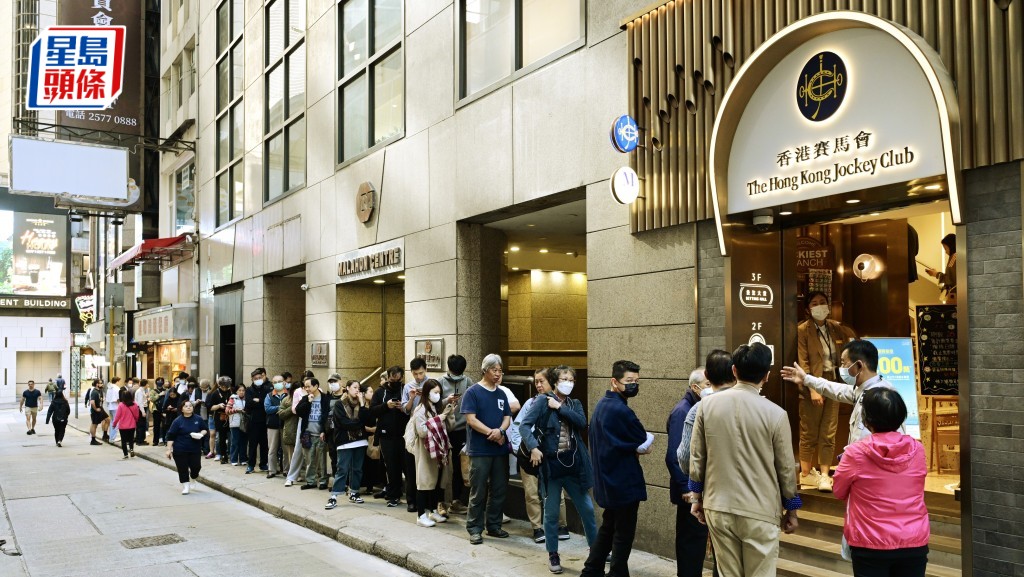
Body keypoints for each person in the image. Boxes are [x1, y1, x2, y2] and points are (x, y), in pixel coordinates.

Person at [689, 343, 800, 577]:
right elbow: (786, 469)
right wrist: (791, 509)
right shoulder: (777, 414)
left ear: (734, 371)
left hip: (718, 506)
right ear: (767, 375)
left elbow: (697, 457)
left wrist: (696, 497)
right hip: (761, 511)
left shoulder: (706, 406)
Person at [833, 387, 929, 577]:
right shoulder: (917, 449)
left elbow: (838, 491)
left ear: (866, 419)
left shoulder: (855, 453)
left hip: (870, 542)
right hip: (914, 539)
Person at [519, 365, 598, 574]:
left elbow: (581, 423)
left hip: (574, 465)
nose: (568, 383)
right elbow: (524, 426)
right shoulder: (541, 402)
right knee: (552, 513)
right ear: (555, 382)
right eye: (564, 379)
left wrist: (560, 408)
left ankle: (596, 550)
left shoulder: (574, 403)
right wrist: (533, 447)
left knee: (587, 509)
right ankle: (553, 553)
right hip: (552, 467)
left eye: (571, 380)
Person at [580, 360, 652, 577]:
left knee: (609, 528)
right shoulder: (620, 410)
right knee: (623, 534)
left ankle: (591, 570)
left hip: (608, 481)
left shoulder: (603, 405)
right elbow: (642, 439)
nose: (633, 385)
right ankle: (616, 573)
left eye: (636, 381)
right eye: (629, 381)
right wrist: (642, 444)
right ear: (614, 381)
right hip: (623, 483)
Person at [676, 351, 735, 577]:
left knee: (721, 556)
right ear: (734, 372)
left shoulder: (699, 409)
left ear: (708, 376)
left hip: (715, 495)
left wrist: (695, 491)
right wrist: (791, 503)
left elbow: (685, 458)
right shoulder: (762, 406)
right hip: (754, 500)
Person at [782, 339, 898, 449]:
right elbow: (836, 389)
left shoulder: (880, 398)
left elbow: (864, 442)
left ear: (859, 365)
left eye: (843, 363)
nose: (841, 368)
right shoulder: (865, 389)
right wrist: (806, 379)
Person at [796, 291, 857, 492]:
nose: (819, 306)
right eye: (814, 303)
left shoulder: (834, 327)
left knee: (829, 432)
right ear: (808, 309)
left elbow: (848, 345)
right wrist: (813, 389)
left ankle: (824, 474)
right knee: (809, 431)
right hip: (811, 384)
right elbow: (803, 361)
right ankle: (806, 474)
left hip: (833, 383)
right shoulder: (803, 330)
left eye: (823, 302)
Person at [508, 367, 568, 543]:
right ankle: (537, 527)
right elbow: (518, 428)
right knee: (532, 493)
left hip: (553, 455)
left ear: (552, 382)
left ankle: (562, 525)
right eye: (536, 382)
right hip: (530, 455)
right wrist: (522, 450)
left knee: (557, 492)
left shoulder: (561, 403)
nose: (538, 385)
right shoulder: (530, 403)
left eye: (542, 381)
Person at [462, 354, 513, 545]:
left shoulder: (501, 393)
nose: (498, 374)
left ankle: (494, 525)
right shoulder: (473, 392)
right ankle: (474, 528)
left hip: (499, 450)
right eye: (494, 370)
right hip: (480, 450)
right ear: (485, 370)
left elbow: (507, 417)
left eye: (500, 370)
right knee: (478, 490)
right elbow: (471, 419)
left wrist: (500, 431)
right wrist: (490, 432)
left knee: (499, 489)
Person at [665, 366, 707, 577]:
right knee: (690, 543)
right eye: (708, 384)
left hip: (694, 489)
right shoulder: (683, 411)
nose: (712, 388)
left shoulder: (699, 407)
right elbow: (675, 455)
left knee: (696, 543)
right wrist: (686, 488)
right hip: (689, 492)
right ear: (695, 387)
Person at [409, 379, 457, 527]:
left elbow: (447, 427)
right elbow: (422, 431)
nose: (437, 395)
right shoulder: (420, 410)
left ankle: (432, 511)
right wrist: (439, 419)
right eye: (435, 392)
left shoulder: (434, 408)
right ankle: (421, 515)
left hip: (437, 451)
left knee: (436, 483)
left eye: (439, 393)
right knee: (424, 483)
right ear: (427, 393)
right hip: (425, 452)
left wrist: (448, 414)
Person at [437, 354, 474, 515]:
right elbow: (434, 403)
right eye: (454, 373)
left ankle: (457, 501)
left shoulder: (468, 381)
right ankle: (440, 502)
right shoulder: (440, 381)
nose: (456, 376)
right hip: (444, 429)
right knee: (441, 466)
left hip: (461, 429)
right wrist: (447, 400)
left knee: (460, 467)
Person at [326, 380, 371, 509]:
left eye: (359, 388)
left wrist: (362, 404)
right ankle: (334, 496)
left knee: (357, 469)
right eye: (355, 387)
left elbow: (367, 419)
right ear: (348, 388)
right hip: (344, 441)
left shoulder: (362, 404)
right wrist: (359, 424)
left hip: (360, 441)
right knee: (342, 469)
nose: (357, 390)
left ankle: (354, 493)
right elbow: (343, 423)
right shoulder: (340, 404)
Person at [369, 366, 410, 507]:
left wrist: (403, 408)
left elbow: (412, 409)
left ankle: (411, 497)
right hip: (386, 435)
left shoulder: (406, 390)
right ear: (388, 378)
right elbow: (372, 410)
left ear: (402, 378)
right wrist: (386, 406)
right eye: (392, 379)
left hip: (404, 435)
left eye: (398, 380)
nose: (395, 382)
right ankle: (394, 495)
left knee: (406, 466)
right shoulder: (380, 392)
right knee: (391, 467)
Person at [164, 400, 209, 495]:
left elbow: (205, 429)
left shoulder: (198, 419)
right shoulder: (177, 421)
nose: (189, 407)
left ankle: (193, 478)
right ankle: (186, 486)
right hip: (180, 449)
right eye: (186, 406)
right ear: (182, 409)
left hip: (195, 448)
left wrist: (200, 434)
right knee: (182, 468)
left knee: (196, 467)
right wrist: (168, 450)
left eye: (190, 406)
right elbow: (171, 436)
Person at [295, 378, 330, 490]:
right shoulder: (305, 398)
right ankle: (311, 481)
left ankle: (323, 481)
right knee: (309, 459)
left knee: (322, 460)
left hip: (321, 434)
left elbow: (327, 415)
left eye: (308, 386)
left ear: (316, 386)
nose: (307, 389)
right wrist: (308, 402)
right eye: (305, 387)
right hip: (308, 434)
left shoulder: (325, 398)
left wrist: (324, 430)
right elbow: (298, 411)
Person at [245, 368, 272, 474]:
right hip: (253, 421)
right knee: (252, 444)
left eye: (260, 378)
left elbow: (266, 403)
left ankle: (263, 464)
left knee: (264, 444)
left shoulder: (267, 389)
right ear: (252, 379)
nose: (258, 380)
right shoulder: (249, 390)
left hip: (265, 420)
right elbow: (248, 404)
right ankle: (251, 465)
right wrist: (259, 402)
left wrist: (258, 400)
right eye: (255, 378)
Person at [264, 375, 289, 478]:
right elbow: (267, 409)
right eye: (275, 382)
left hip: (286, 425)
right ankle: (272, 470)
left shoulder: (288, 395)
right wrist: (280, 407)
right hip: (272, 425)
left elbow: (291, 407)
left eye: (279, 381)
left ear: (284, 382)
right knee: (272, 449)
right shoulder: (269, 395)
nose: (277, 384)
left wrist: (280, 409)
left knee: (286, 450)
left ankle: (286, 470)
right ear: (272, 384)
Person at [324, 373, 346, 481]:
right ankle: (335, 479)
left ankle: (345, 481)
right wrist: (323, 430)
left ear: (340, 382)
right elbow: (324, 414)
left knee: (344, 457)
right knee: (333, 455)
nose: (332, 384)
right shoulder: (327, 397)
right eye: (330, 382)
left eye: (335, 381)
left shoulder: (347, 395)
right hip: (331, 430)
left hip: (343, 429)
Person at [924, 233, 957, 303]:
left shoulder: (954, 257)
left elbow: (949, 279)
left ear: (951, 246)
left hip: (955, 295)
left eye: (945, 248)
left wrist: (936, 274)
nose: (945, 252)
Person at [207, 376, 233, 463]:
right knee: (221, 437)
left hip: (230, 416)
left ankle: (231, 454)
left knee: (231, 436)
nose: (224, 388)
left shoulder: (231, 392)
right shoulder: (215, 393)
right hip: (220, 417)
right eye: (223, 387)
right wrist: (219, 406)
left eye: (226, 387)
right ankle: (223, 455)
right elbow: (210, 407)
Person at [110, 388, 140, 459]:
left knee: (123, 440)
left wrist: (114, 424)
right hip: (132, 425)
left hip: (123, 426)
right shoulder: (135, 404)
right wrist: (136, 420)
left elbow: (117, 416)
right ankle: (131, 449)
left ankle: (125, 454)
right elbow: (137, 415)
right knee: (131, 439)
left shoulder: (121, 405)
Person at [281, 381, 301, 484]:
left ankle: (302, 474)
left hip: (301, 429)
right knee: (291, 454)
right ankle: (293, 475)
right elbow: (281, 413)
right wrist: (292, 408)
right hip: (290, 430)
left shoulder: (305, 399)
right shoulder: (286, 400)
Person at [227, 385, 248, 466]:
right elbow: (227, 411)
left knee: (244, 442)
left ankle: (243, 459)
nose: (241, 392)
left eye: (243, 390)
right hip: (235, 423)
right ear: (236, 391)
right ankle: (234, 459)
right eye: (240, 390)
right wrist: (236, 410)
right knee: (235, 442)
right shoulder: (232, 399)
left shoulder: (247, 399)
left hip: (244, 424)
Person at [87, 379, 110, 445]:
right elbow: (92, 402)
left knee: (108, 419)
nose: (102, 384)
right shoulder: (94, 392)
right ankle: (93, 440)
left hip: (101, 409)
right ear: (97, 384)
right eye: (101, 383)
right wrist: (96, 409)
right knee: (94, 424)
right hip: (95, 411)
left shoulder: (99, 391)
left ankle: (105, 435)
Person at [105, 377, 123, 443]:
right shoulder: (117, 388)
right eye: (119, 381)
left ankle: (111, 437)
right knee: (116, 422)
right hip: (116, 407)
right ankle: (112, 438)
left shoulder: (109, 388)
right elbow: (118, 399)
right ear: (117, 381)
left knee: (112, 422)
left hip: (110, 407)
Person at [150, 378, 168, 444]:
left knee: (165, 425)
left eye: (161, 381)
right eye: (158, 381)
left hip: (164, 410)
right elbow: (152, 399)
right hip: (156, 410)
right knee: (156, 426)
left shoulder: (166, 390)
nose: (160, 382)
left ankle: (164, 439)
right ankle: (155, 441)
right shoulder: (153, 391)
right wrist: (159, 395)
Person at [134, 379, 150, 446]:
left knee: (141, 425)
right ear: (145, 384)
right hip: (141, 409)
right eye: (147, 384)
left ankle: (140, 439)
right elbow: (140, 402)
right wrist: (143, 412)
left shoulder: (142, 390)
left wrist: (146, 396)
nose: (148, 385)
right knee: (141, 425)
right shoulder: (140, 391)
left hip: (141, 408)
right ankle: (140, 440)